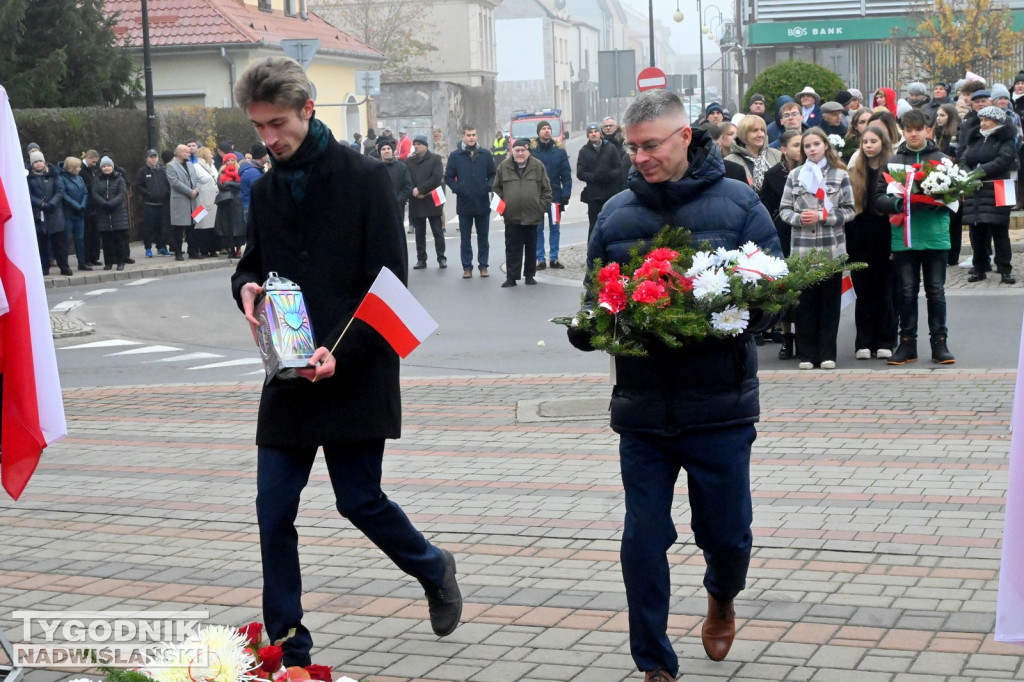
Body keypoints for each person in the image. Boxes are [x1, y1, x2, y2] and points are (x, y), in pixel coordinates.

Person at [229, 56, 463, 668]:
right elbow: (252, 261)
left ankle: (433, 566)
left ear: (308, 110)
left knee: (358, 501)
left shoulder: (365, 178)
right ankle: (287, 645)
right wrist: (246, 288)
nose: (269, 139)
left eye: (277, 124)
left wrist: (344, 349)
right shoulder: (265, 186)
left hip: (357, 366)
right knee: (272, 508)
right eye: (259, 128)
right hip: (289, 372)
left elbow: (391, 283)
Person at [566, 89, 780, 682]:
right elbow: (594, 298)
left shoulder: (739, 205)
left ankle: (721, 596)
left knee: (729, 536)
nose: (639, 158)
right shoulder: (614, 215)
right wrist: (591, 327)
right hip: (643, 411)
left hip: (720, 406)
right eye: (632, 148)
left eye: (650, 145)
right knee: (641, 542)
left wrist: (727, 311)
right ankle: (655, 664)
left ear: (685, 136)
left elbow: (773, 291)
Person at [874, 108, 956, 365]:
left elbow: (956, 195)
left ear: (928, 130)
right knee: (907, 292)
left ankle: (939, 344)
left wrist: (937, 200)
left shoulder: (942, 159)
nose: (912, 134)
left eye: (918, 129)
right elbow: (877, 199)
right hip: (904, 237)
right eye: (908, 130)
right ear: (902, 131)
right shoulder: (893, 161)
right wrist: (900, 205)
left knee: (936, 290)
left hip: (935, 235)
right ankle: (907, 345)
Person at [778, 127, 854, 370]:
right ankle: (807, 354)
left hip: (831, 250)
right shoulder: (795, 175)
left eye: (815, 144)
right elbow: (784, 210)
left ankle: (827, 353)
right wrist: (800, 219)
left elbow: (850, 210)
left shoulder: (840, 175)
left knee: (829, 305)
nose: (811, 149)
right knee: (805, 305)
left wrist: (823, 215)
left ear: (825, 146)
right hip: (803, 252)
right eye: (807, 146)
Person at [845, 125, 897, 359]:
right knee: (863, 294)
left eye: (873, 141)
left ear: (883, 143)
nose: (868, 146)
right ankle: (863, 341)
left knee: (883, 292)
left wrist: (894, 246)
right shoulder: (855, 172)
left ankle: (886, 339)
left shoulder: (892, 171)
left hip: (884, 239)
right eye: (865, 142)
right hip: (859, 240)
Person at [758, 129, 804, 359]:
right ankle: (787, 338)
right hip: (783, 235)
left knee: (805, 288)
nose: (801, 149)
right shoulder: (773, 174)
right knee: (786, 288)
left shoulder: (813, 171)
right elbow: (765, 208)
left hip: (808, 234)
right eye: (796, 145)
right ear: (784, 149)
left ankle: (805, 337)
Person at [962, 105, 1018, 285]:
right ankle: (980, 266)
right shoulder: (975, 138)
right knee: (976, 230)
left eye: (986, 120)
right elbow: (964, 158)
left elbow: (1003, 160)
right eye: (981, 120)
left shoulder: (1005, 138)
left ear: (997, 121)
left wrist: (979, 171)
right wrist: (967, 172)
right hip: (975, 189)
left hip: (998, 188)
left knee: (999, 230)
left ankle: (1004, 268)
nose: (983, 123)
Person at [492, 137, 550, 288]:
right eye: (517, 150)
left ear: (528, 152)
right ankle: (511, 277)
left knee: (531, 248)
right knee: (512, 248)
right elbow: (496, 191)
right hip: (512, 217)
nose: (520, 153)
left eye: (523, 150)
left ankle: (530, 275)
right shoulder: (503, 166)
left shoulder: (538, 166)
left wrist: (540, 209)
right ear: (512, 152)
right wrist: (503, 211)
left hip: (532, 216)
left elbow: (547, 190)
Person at [444, 125, 496, 279]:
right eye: (468, 135)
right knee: (465, 238)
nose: (471, 137)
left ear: (476, 136)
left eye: (473, 134)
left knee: (483, 237)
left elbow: (493, 174)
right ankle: (467, 267)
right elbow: (448, 177)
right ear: (463, 137)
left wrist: (488, 186)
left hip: (482, 202)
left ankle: (483, 266)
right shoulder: (456, 156)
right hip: (464, 203)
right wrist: (458, 188)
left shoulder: (485, 154)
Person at [531, 119, 571, 270]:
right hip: (537, 198)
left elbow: (566, 175)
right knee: (538, 228)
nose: (546, 130)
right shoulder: (533, 152)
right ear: (539, 132)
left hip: (555, 196)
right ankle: (540, 259)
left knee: (555, 227)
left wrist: (565, 194)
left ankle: (554, 258)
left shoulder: (559, 152)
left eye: (548, 128)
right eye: (543, 128)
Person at [27, 149, 72, 276]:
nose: (39, 164)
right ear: (32, 164)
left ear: (44, 162)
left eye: (41, 161)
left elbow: (60, 191)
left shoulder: (54, 174)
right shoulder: (29, 178)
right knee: (42, 244)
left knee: (60, 244)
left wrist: (51, 203)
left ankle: (64, 267)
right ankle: (44, 267)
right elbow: (28, 195)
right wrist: (41, 204)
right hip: (39, 214)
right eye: (36, 162)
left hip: (55, 212)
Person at [576, 122, 624, 238]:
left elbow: (619, 168)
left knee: (612, 222)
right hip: (594, 195)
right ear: (588, 135)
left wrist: (609, 176)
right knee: (594, 225)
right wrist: (593, 177)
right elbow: (580, 173)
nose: (593, 134)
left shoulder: (610, 148)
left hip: (610, 192)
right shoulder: (584, 151)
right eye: (591, 132)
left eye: (596, 131)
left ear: (600, 133)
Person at [406, 134, 447, 270]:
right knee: (419, 233)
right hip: (416, 200)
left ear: (425, 146)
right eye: (414, 144)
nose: (416, 146)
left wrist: (421, 189)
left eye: (419, 144)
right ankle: (421, 259)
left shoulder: (435, 159)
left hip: (431, 198)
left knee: (437, 230)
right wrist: (413, 190)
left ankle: (441, 258)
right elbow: (407, 178)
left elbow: (436, 177)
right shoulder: (410, 161)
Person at [933, 103, 965, 264]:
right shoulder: (936, 133)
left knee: (954, 221)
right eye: (938, 115)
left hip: (954, 180)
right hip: (939, 179)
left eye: (942, 115)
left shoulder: (956, 133)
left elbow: (956, 156)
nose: (938, 118)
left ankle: (953, 257)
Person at [91, 156, 131, 271]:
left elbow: (122, 193)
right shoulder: (97, 179)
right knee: (106, 241)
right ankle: (108, 262)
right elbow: (94, 193)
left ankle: (120, 262)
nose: (106, 168)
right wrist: (103, 203)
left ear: (112, 167)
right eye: (104, 166)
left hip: (117, 212)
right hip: (103, 213)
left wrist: (112, 203)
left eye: (108, 166)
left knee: (119, 240)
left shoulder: (119, 178)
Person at [724, 115, 782, 192]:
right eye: (755, 130)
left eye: (762, 130)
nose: (760, 134)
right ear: (743, 134)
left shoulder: (777, 155)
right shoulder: (729, 161)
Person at [166, 143, 200, 261]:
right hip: (180, 201)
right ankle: (178, 252)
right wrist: (190, 191)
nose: (189, 153)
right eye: (186, 152)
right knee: (178, 229)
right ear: (179, 152)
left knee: (193, 227)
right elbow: (174, 183)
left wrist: (196, 189)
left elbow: (197, 179)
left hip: (194, 201)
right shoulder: (171, 166)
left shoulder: (190, 164)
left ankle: (193, 251)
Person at [135, 149, 171, 259]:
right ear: (147, 158)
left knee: (161, 227)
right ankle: (148, 248)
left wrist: (167, 193)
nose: (153, 159)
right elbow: (138, 185)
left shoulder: (162, 171)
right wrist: (148, 193)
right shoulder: (143, 171)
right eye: (151, 157)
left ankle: (162, 247)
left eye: (155, 156)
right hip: (149, 204)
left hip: (162, 203)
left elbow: (166, 183)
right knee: (149, 228)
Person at [59, 156, 91, 272]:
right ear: (71, 168)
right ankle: (65, 264)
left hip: (79, 214)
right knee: (66, 240)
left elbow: (85, 192)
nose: (79, 169)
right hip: (68, 213)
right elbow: (63, 195)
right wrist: (76, 205)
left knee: (80, 239)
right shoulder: (62, 178)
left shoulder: (80, 179)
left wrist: (82, 204)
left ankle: (82, 262)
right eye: (77, 167)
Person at [215, 152, 246, 258]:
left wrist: (228, 183)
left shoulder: (239, 171)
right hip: (225, 203)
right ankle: (231, 249)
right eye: (228, 160)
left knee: (238, 227)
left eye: (232, 160)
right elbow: (220, 185)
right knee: (227, 227)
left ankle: (238, 248)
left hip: (237, 203)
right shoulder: (221, 173)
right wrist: (232, 185)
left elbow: (241, 185)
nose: (230, 162)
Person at [194, 147, 220, 257]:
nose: (212, 156)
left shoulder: (212, 166)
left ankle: (213, 249)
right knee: (200, 226)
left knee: (213, 226)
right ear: (204, 155)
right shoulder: (196, 167)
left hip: (213, 202)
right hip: (200, 202)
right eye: (210, 154)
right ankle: (203, 249)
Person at [80, 149, 104, 266]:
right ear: (88, 158)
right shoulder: (82, 170)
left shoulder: (92, 171)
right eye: (93, 162)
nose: (95, 164)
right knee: (88, 233)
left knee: (95, 233)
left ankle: (94, 257)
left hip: (94, 205)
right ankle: (87, 257)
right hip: (87, 205)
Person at [239, 142, 270, 228]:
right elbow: (260, 193)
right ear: (262, 156)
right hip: (253, 209)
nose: (268, 156)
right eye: (267, 154)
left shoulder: (253, 170)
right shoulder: (253, 172)